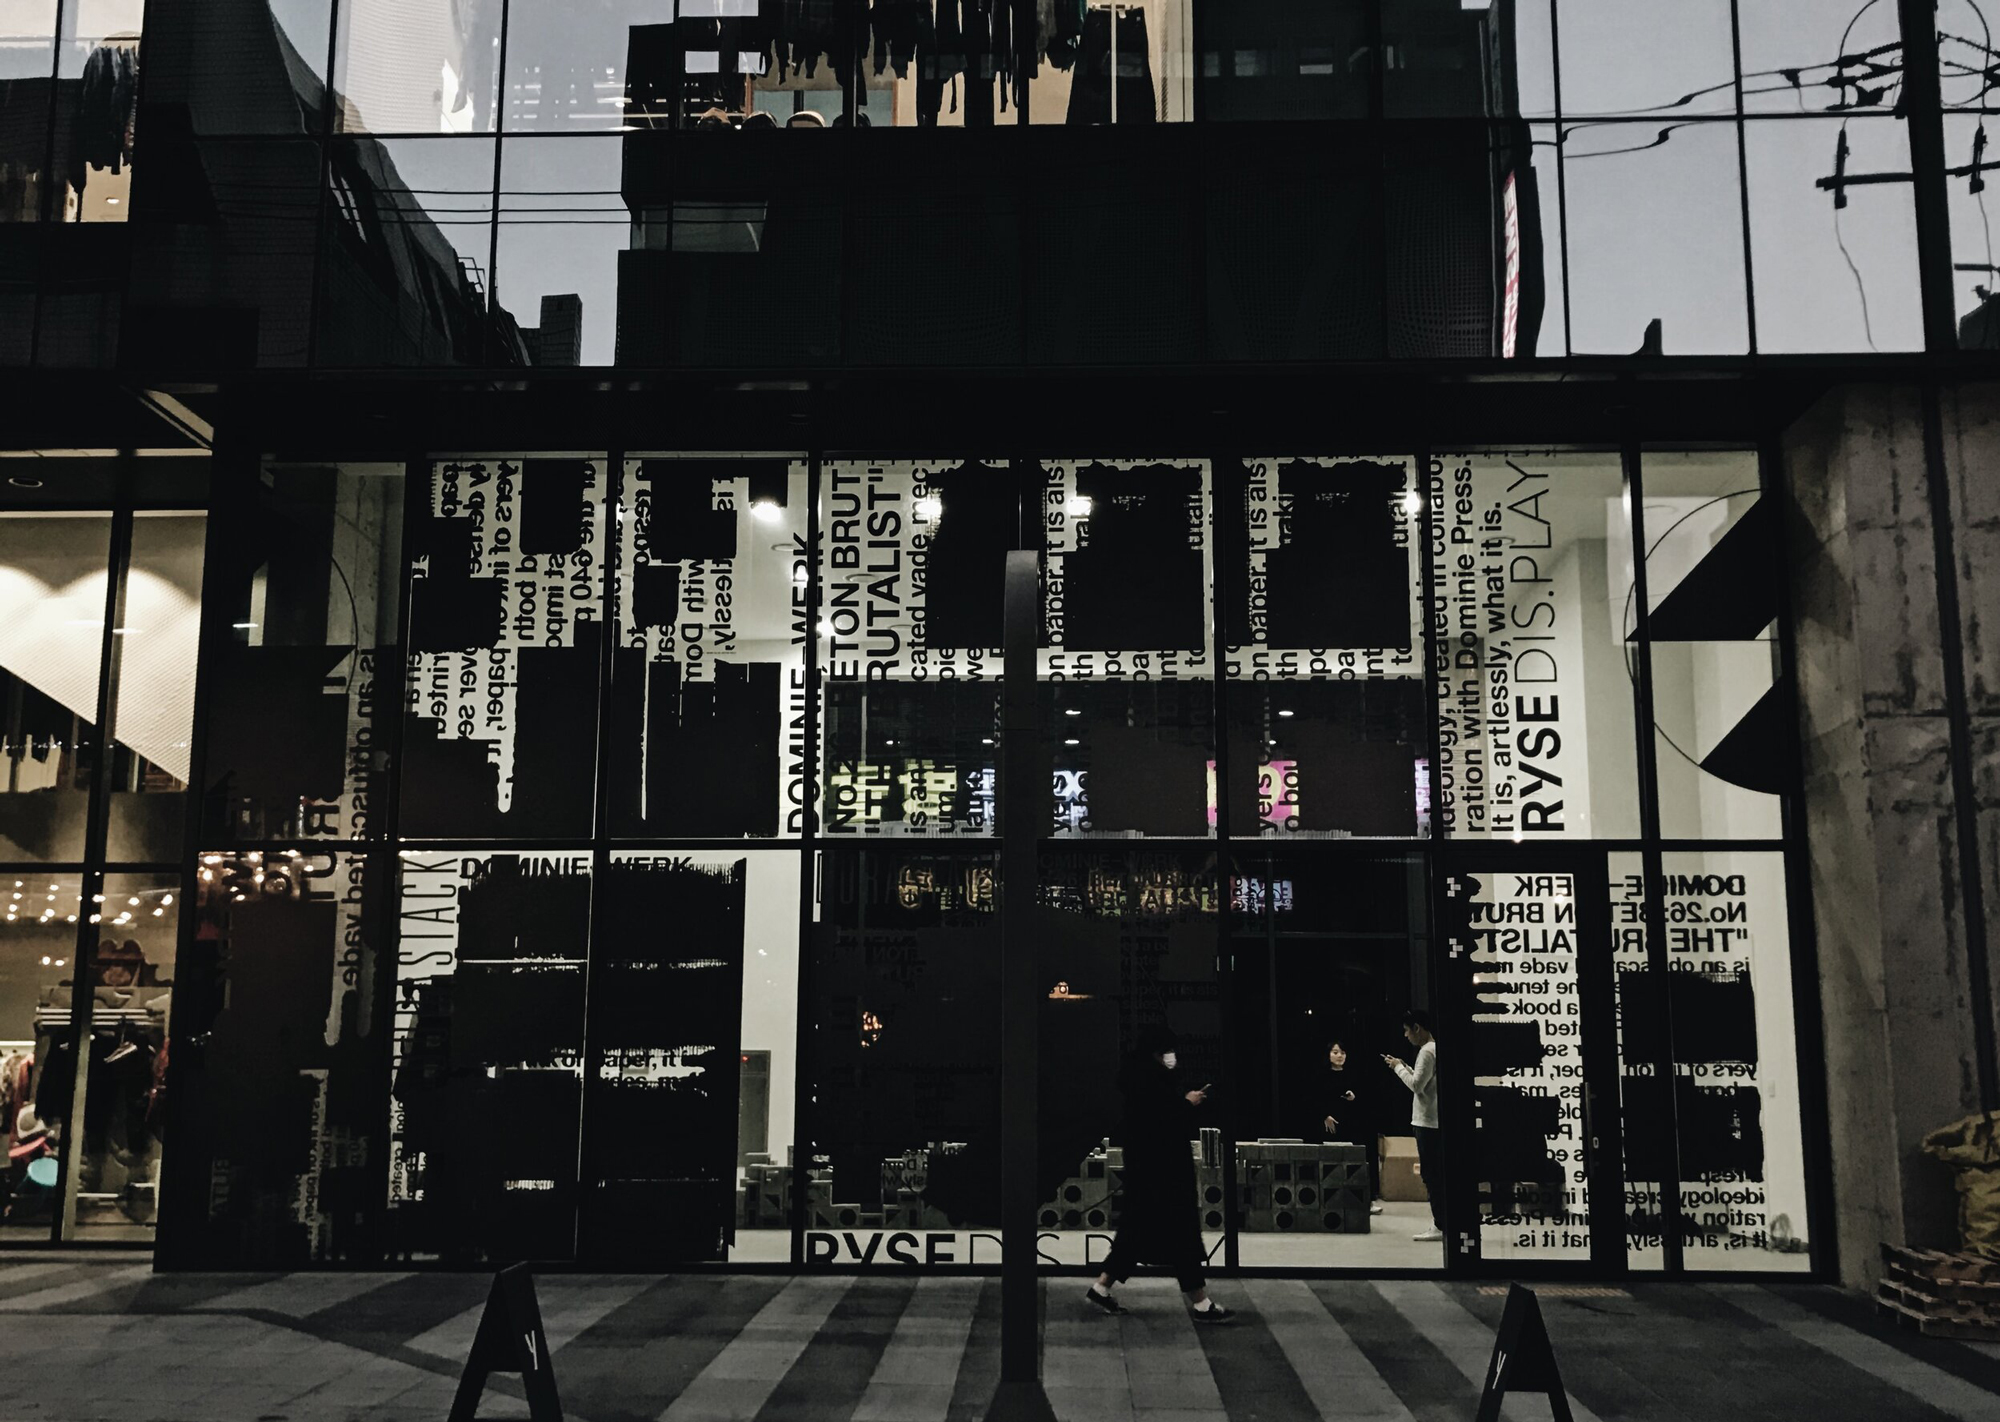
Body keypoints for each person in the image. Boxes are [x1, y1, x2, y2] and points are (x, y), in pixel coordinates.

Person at [1085, 1026, 1233, 1323]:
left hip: (1146, 1170)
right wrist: (1188, 1103)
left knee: (1135, 1232)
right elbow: (1164, 1122)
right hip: (1165, 1172)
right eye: (1168, 1051)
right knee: (1181, 1234)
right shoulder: (1152, 1083)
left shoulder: (1137, 1080)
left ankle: (1101, 1287)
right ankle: (1201, 1303)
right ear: (1157, 1053)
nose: (1172, 1057)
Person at [1384, 1009, 1442, 1243]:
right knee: (1435, 1174)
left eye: (1407, 1031)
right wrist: (1405, 1066)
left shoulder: (1427, 1051)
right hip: (1432, 1120)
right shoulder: (1434, 1049)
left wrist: (1398, 1068)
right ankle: (1441, 1222)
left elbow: (1417, 1086)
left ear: (1417, 1028)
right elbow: (1424, 1081)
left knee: (1431, 1175)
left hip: (1427, 1121)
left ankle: (1439, 1224)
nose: (1406, 1036)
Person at [1318, 1038, 1384, 1216]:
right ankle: (1331, 1201)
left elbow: (1364, 1099)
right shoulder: (1322, 1075)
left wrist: (1354, 1097)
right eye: (1335, 1052)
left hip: (1352, 1123)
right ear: (1328, 1055)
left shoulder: (1353, 1074)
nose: (1339, 1056)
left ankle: (1366, 1201)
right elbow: (1317, 1098)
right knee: (1332, 1161)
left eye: (1342, 1053)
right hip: (1331, 1125)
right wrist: (1325, 1116)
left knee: (1358, 1161)